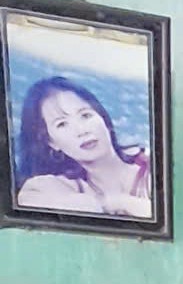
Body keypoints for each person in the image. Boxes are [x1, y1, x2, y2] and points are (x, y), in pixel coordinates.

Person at [14, 77, 152, 217]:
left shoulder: (152, 167)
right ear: (51, 142)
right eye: (62, 124)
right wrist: (111, 203)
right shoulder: (57, 186)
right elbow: (28, 199)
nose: (82, 130)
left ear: (103, 118)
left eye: (85, 115)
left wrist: (123, 203)